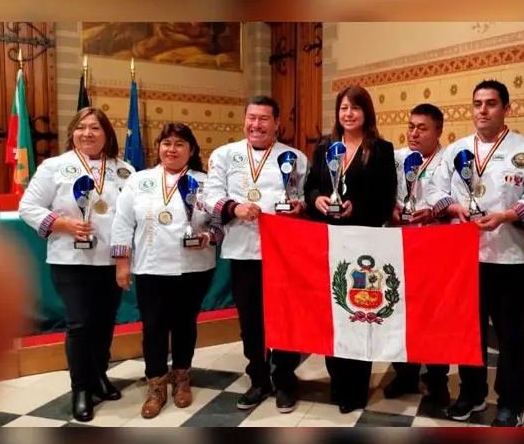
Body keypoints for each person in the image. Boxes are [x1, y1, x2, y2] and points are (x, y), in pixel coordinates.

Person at [427, 79, 524, 427]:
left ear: (506, 108)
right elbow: (435, 189)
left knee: (510, 339)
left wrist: (508, 215)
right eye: (477, 103)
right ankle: (473, 394)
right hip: (463, 259)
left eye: (491, 103)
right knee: (469, 333)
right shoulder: (456, 149)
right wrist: (453, 209)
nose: (483, 110)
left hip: (508, 259)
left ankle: (512, 402)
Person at [18, 107, 136, 422]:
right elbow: (27, 206)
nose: (87, 133)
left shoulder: (124, 170)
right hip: (71, 259)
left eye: (95, 127)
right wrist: (62, 224)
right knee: (81, 324)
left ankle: (99, 375)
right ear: (72, 132)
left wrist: (125, 258)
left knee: (105, 322)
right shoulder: (54, 167)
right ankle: (81, 388)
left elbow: (131, 216)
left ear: (106, 134)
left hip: (111, 261)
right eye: (81, 127)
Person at [206, 95, 308, 413]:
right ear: (244, 120)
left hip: (284, 252)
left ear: (277, 123)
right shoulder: (224, 155)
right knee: (251, 321)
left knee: (287, 318)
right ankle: (258, 378)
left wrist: (300, 206)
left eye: (264, 118)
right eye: (251, 117)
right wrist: (235, 207)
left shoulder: (295, 157)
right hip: (243, 251)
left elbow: (304, 197)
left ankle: (286, 378)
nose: (256, 124)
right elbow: (209, 196)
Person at [110, 123, 218, 419]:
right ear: (158, 147)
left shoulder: (205, 182)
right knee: (154, 327)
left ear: (191, 150)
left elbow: (220, 222)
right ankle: (156, 383)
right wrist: (122, 262)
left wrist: (209, 238)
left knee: (185, 324)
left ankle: (182, 376)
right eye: (166, 143)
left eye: (179, 144)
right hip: (150, 266)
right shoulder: (139, 179)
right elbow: (122, 222)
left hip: (193, 266)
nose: (172, 149)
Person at [306, 85, 397, 414]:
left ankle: (356, 387)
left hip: (364, 246)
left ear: (366, 113)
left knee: (360, 313)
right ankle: (337, 379)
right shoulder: (325, 147)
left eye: (355, 108)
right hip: (328, 243)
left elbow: (386, 199)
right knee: (333, 314)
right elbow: (311, 186)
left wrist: (353, 208)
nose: (348, 114)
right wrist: (316, 198)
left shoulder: (382, 150)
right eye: (344, 107)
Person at [381, 102, 450, 407]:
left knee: (435, 318)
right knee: (398, 313)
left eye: (422, 128)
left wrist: (433, 211)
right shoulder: (395, 157)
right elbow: (379, 193)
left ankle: (437, 380)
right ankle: (404, 373)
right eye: (411, 126)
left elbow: (459, 200)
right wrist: (390, 209)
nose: (414, 133)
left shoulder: (449, 160)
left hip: (434, 248)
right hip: (397, 246)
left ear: (438, 132)